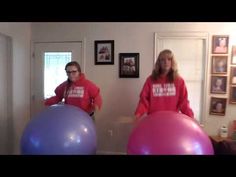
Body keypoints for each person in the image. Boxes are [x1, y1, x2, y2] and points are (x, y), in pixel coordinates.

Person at [134, 49, 194, 123]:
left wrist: (191, 117)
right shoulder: (150, 80)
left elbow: (184, 102)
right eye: (163, 60)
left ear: (172, 62)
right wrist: (138, 114)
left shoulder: (179, 81)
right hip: (154, 121)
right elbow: (144, 101)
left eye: (169, 59)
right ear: (159, 63)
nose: (166, 62)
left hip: (172, 122)